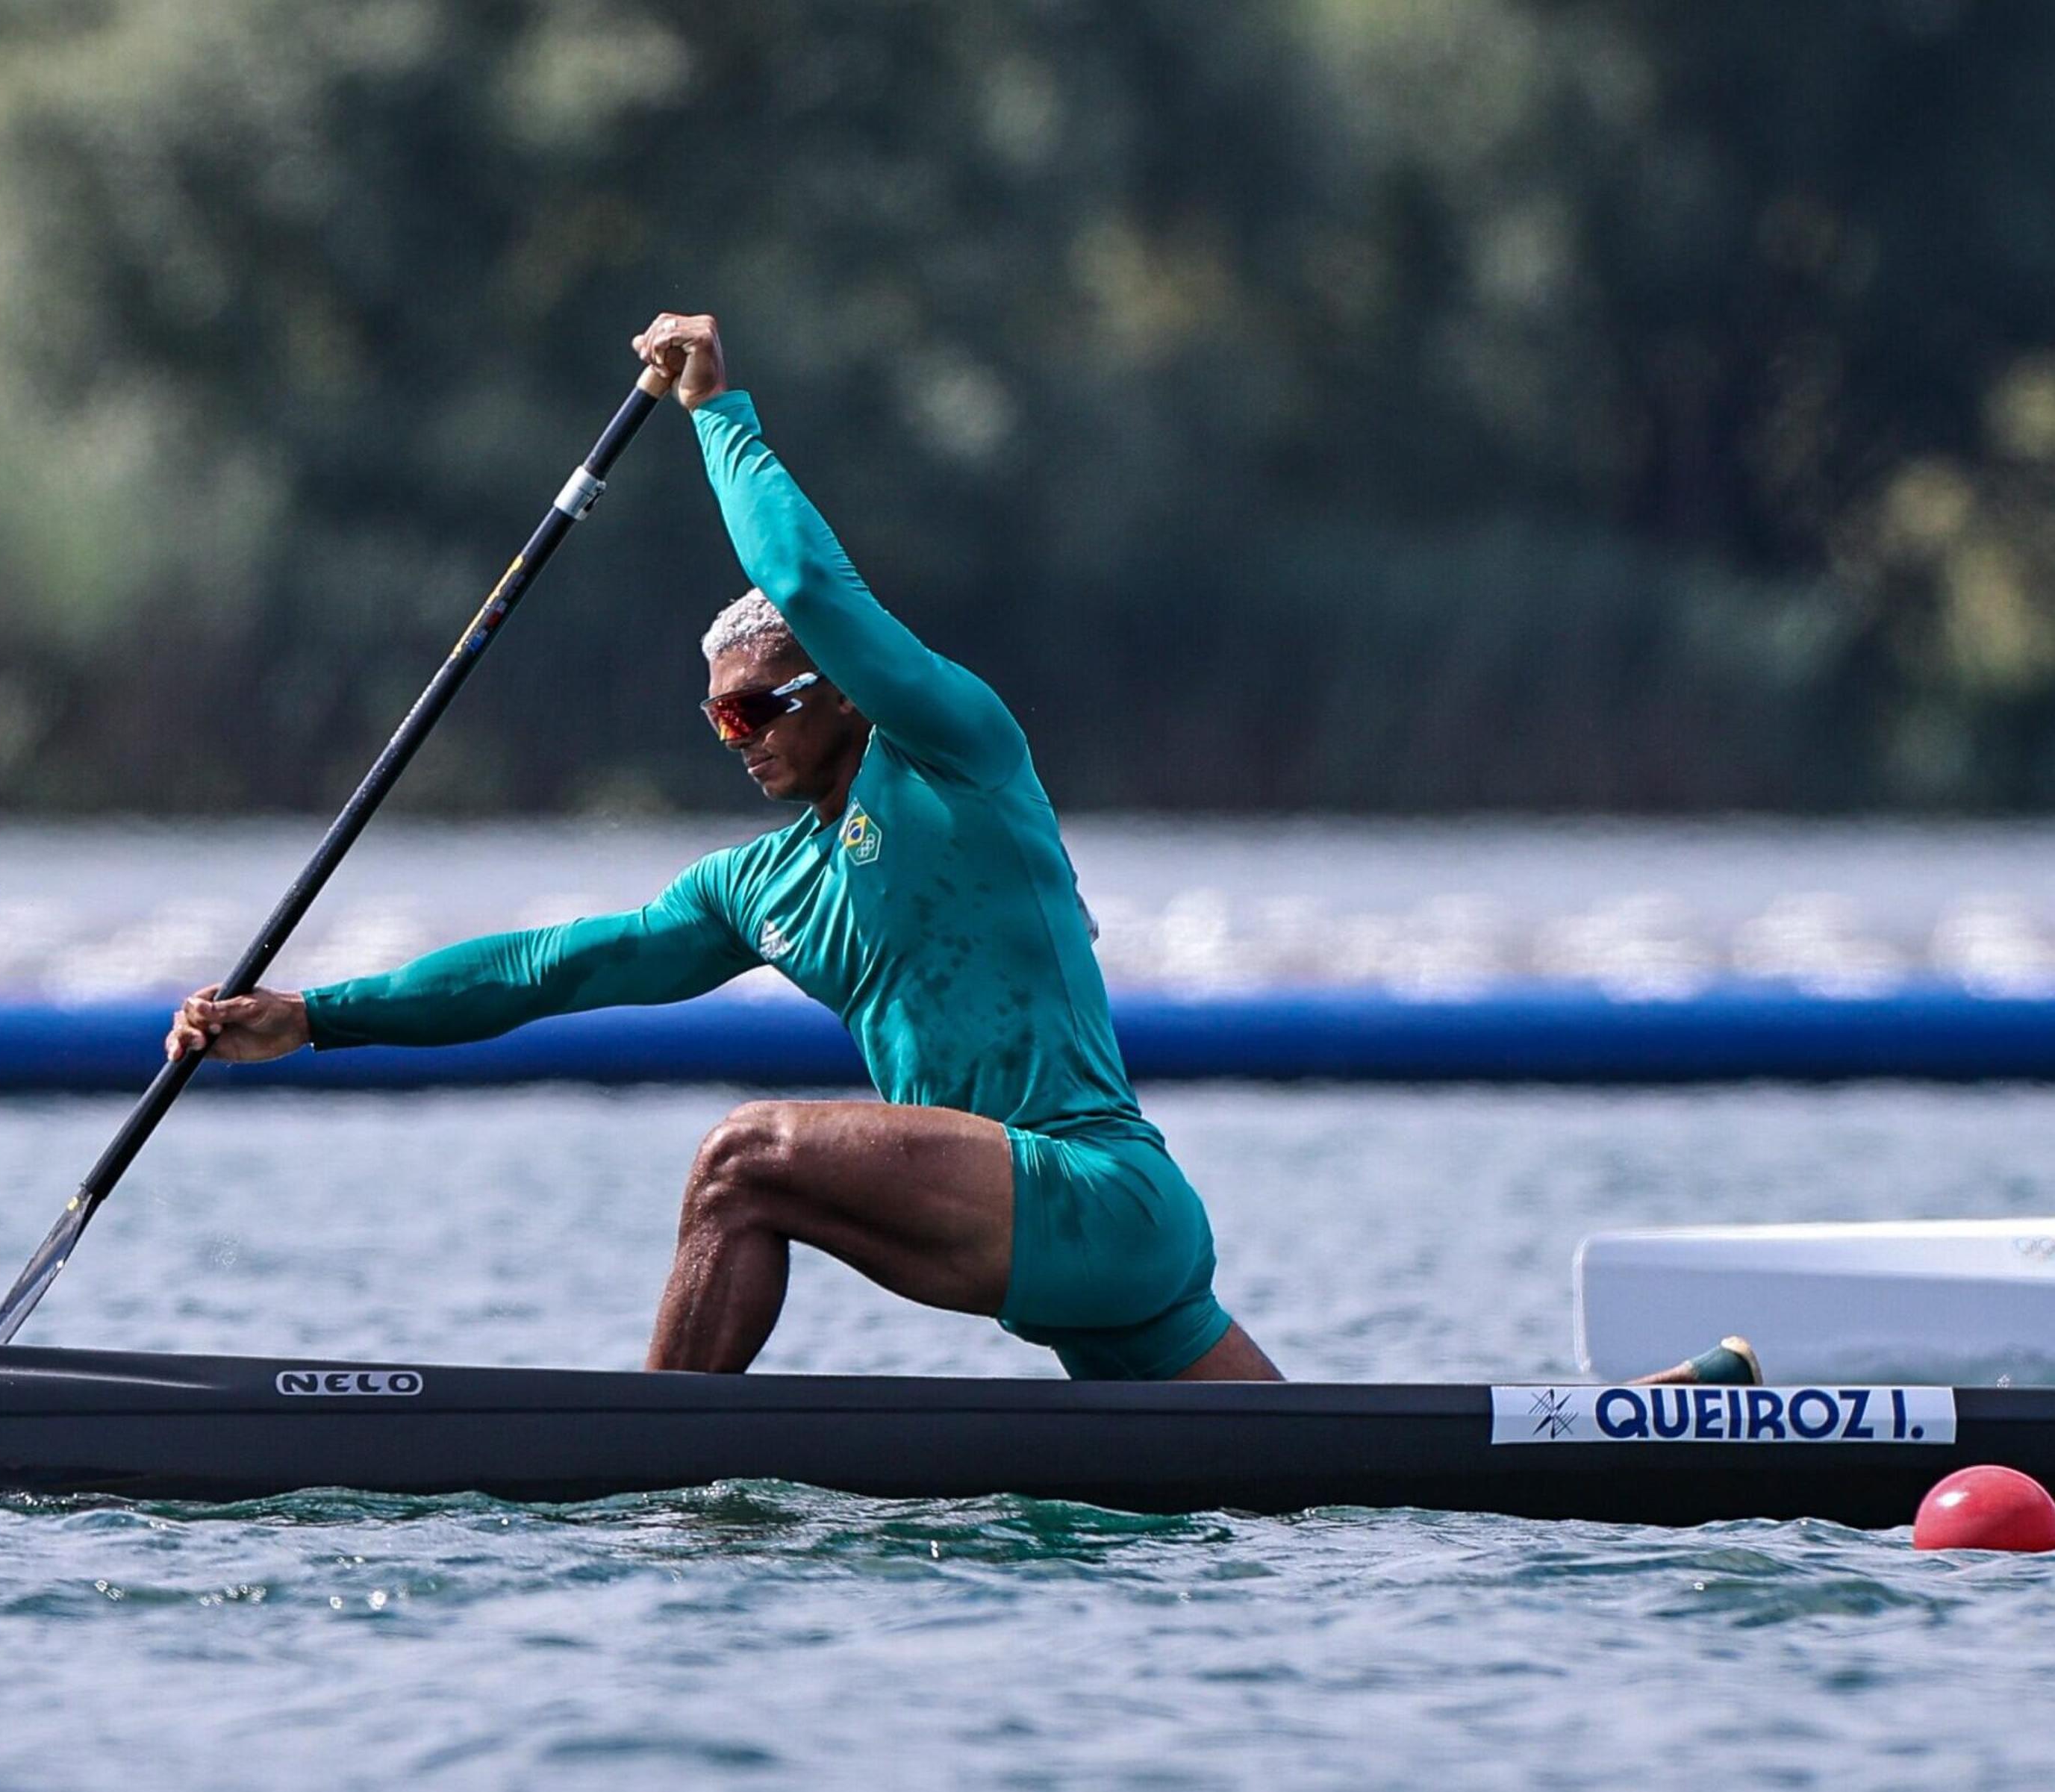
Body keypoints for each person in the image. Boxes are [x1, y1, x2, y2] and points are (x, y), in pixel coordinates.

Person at [172, 311, 1271, 1382]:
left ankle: (652, 1470)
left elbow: (802, 585)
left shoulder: (956, 751)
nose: (737, 739)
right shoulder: (760, 886)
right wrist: (318, 1017)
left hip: (1098, 1192)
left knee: (742, 1164)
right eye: (719, 720)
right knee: (1312, 1481)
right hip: (1063, 1243)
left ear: (845, 688)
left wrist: (714, 413)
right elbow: (550, 968)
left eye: (760, 707)